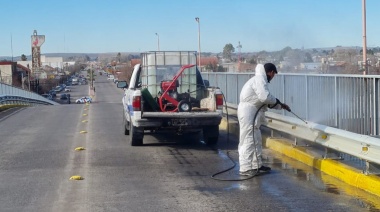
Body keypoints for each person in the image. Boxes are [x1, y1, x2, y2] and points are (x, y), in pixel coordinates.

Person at [238, 63, 290, 176]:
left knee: (256, 139)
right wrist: (277, 101)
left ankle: (256, 165)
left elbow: (265, 102)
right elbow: (265, 97)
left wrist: (280, 105)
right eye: (273, 74)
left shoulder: (259, 80)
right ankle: (245, 168)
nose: (273, 77)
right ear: (271, 72)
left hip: (252, 112)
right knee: (248, 139)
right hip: (248, 112)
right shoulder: (259, 79)